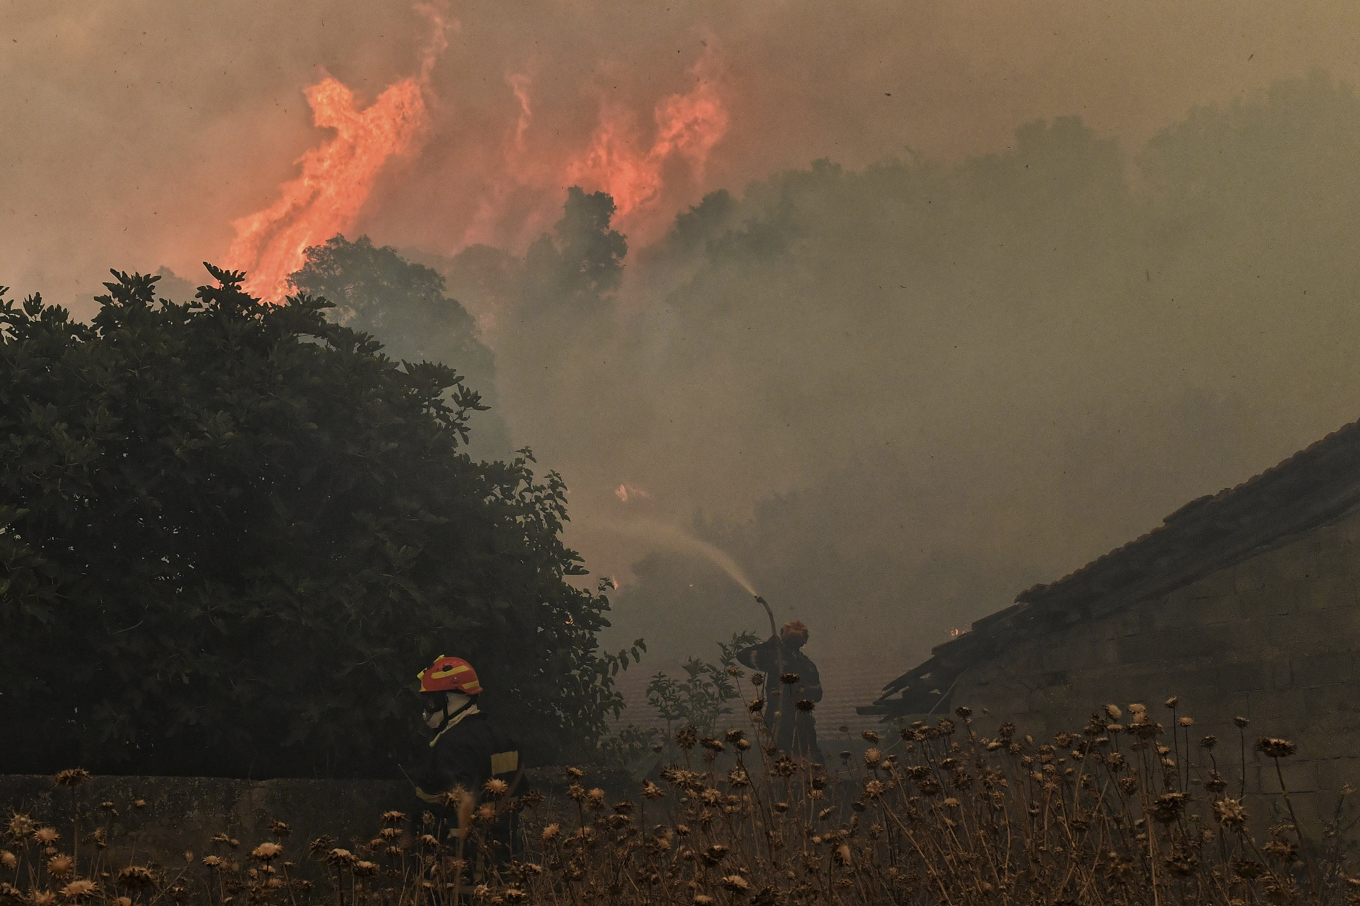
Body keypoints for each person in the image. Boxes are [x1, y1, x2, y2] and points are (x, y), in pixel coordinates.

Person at [411, 656, 520, 849]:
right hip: (503, 857)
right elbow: (520, 796)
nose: (427, 710)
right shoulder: (502, 737)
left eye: (432, 701)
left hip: (460, 863)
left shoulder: (451, 745)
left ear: (453, 699)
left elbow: (455, 812)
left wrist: (452, 863)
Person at [736, 620, 824, 764]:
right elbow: (743, 656)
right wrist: (767, 645)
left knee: (812, 762)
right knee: (781, 761)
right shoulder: (775, 657)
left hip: (802, 722)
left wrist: (799, 690)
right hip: (779, 718)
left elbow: (818, 693)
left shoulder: (807, 665)